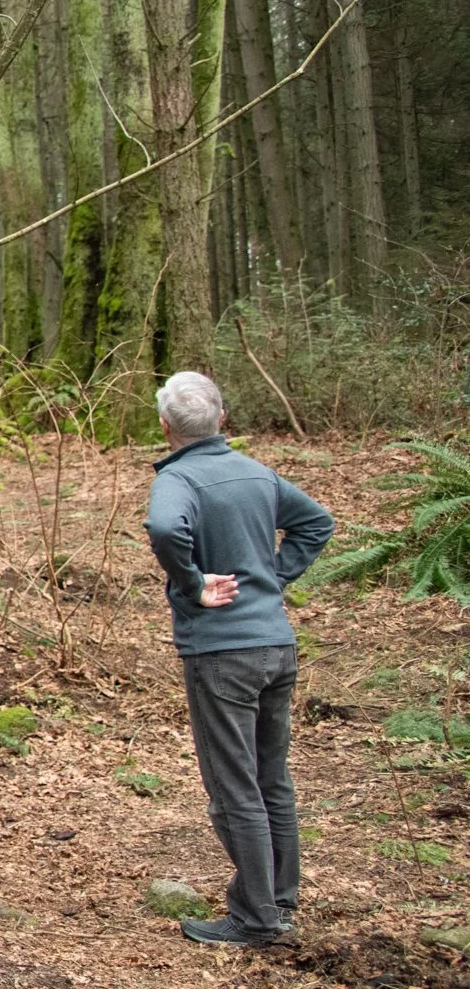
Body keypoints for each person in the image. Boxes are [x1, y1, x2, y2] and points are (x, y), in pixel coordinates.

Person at [143, 371, 335, 949]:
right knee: (271, 778)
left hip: (222, 653)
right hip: (277, 647)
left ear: (166, 426)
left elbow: (162, 527)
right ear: (222, 419)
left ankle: (256, 918)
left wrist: (195, 584)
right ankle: (277, 900)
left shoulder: (178, 479)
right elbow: (316, 523)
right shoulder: (259, 474)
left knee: (235, 788)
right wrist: (271, 578)